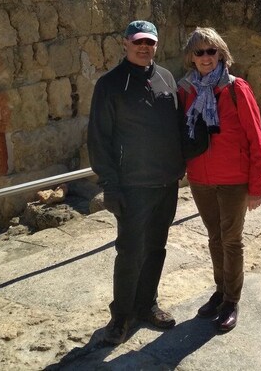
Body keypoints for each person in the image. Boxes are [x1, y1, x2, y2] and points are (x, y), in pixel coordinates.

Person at [87, 20, 185, 345]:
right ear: (125, 43)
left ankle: (147, 305)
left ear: (157, 45)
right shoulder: (110, 85)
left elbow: (177, 128)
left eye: (150, 43)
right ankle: (121, 316)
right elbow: (99, 139)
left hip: (166, 183)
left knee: (156, 248)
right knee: (130, 252)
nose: (144, 48)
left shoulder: (166, 78)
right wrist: (110, 185)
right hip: (132, 187)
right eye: (138, 42)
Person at [177, 27, 261, 333]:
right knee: (214, 239)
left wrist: (257, 186)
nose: (205, 57)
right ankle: (220, 291)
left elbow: (256, 138)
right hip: (201, 178)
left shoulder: (235, 89)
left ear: (221, 53)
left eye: (211, 51)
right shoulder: (186, 90)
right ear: (191, 57)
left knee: (231, 240)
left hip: (232, 180)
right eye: (199, 52)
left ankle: (231, 301)